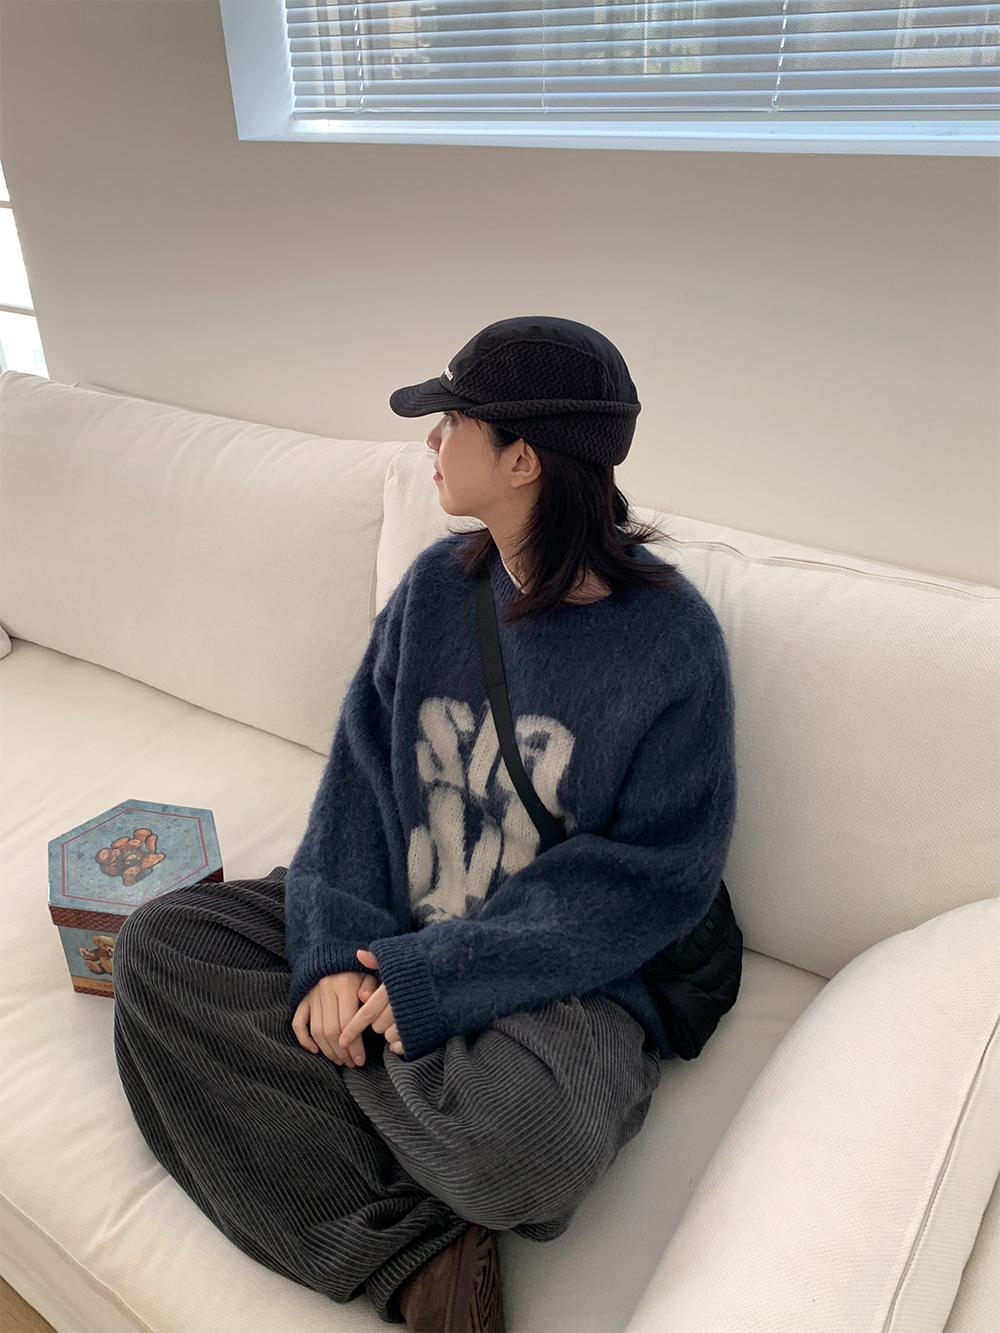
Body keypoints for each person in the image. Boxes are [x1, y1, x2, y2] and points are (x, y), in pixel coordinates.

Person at [112, 315, 739, 1332]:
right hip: (399, 922)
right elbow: (358, 785)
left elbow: (651, 879)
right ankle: (420, 1259)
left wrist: (433, 982)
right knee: (160, 951)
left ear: (523, 458)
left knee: (526, 1148)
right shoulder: (435, 594)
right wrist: (333, 955)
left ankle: (323, 1114)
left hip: (557, 977)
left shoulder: (670, 643)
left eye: (453, 422)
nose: (432, 442)